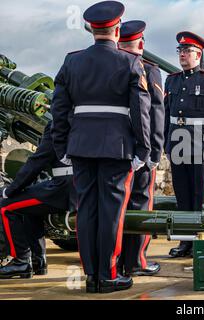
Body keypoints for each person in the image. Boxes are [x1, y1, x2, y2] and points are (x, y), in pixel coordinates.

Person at [51, 1, 152, 293]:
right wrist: (143, 151)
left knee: (86, 209)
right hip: (116, 148)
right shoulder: (131, 63)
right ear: (118, 29)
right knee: (111, 212)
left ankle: (91, 276)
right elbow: (140, 113)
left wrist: (63, 147)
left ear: (93, 29)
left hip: (81, 146)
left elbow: (59, 111)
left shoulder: (72, 61)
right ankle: (107, 276)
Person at [164, 31, 204, 257]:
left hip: (201, 146)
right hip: (177, 145)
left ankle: (201, 239)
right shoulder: (172, 80)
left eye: (187, 51)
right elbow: (166, 114)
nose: (182, 54)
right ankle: (185, 241)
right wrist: (165, 143)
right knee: (182, 196)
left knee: (200, 197)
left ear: (198, 54)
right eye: (180, 50)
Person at [117, 20, 164, 276]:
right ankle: (136, 262)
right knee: (140, 203)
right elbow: (156, 111)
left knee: (115, 205)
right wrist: (154, 151)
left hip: (114, 149)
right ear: (141, 43)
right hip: (140, 149)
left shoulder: (109, 65)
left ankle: (115, 261)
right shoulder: (148, 69)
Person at [0, 121, 75, 279]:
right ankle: (37, 261)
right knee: (29, 206)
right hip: (81, 185)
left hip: (63, 187)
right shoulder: (85, 121)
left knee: (5, 206)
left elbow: (38, 161)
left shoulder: (58, 124)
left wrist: (11, 189)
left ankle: (20, 261)